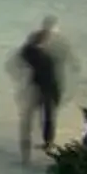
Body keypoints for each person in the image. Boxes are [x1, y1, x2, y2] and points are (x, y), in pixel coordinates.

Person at [14, 16, 75, 161]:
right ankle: (36, 143)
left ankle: (45, 142)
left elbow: (23, 57)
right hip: (42, 85)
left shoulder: (57, 45)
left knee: (47, 114)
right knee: (37, 114)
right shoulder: (41, 43)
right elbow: (23, 56)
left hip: (47, 85)